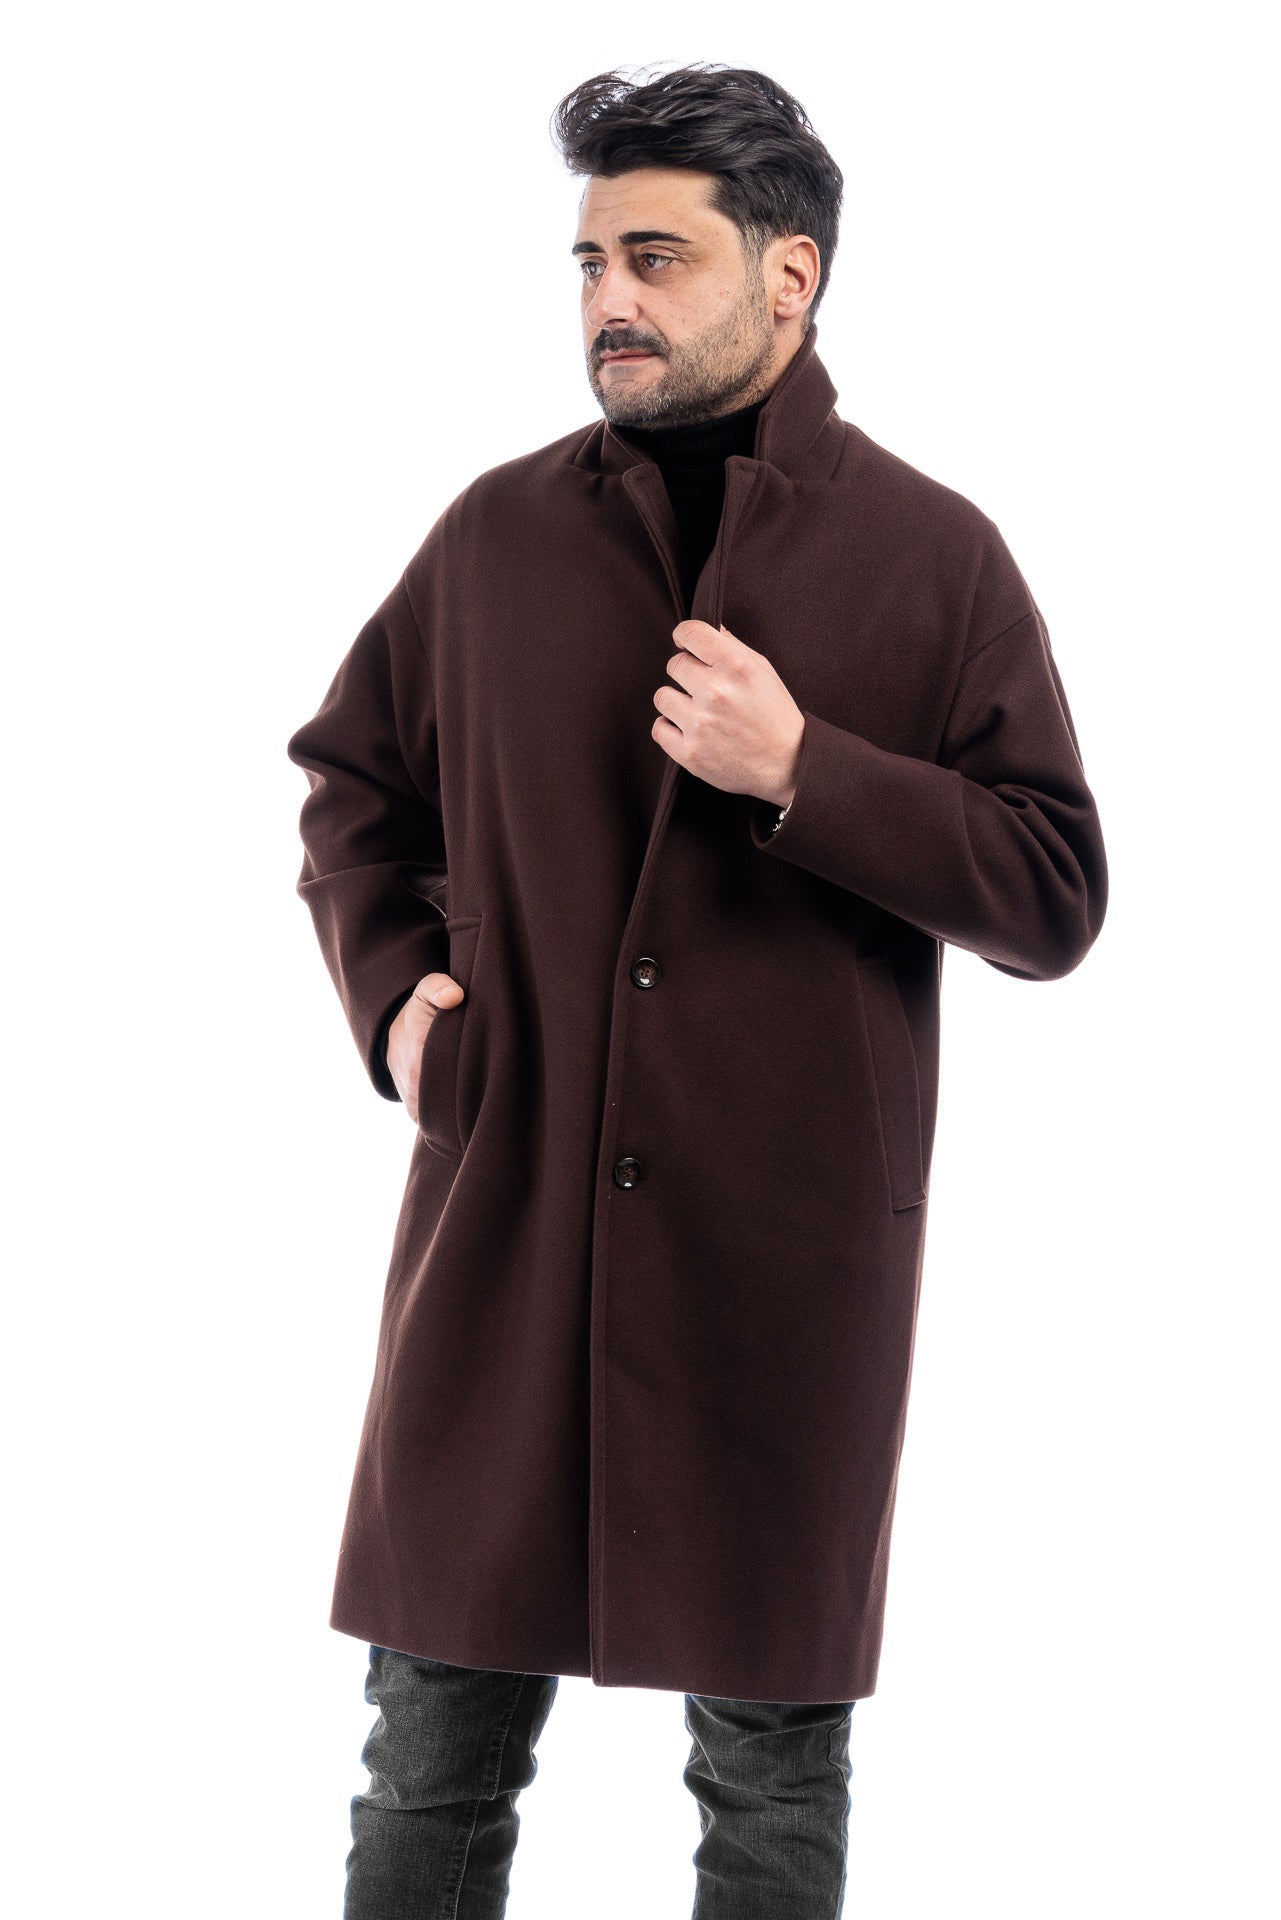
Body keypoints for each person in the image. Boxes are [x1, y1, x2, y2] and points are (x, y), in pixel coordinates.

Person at [286, 60, 1108, 1920]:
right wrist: (399, 999)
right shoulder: (494, 536)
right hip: (505, 1225)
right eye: (587, 262)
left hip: (778, 1262)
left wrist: (806, 769)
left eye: (653, 258)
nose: (607, 300)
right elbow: (351, 782)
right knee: (427, 1749)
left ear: (788, 274)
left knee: (768, 1772)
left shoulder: (932, 555)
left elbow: (1053, 891)